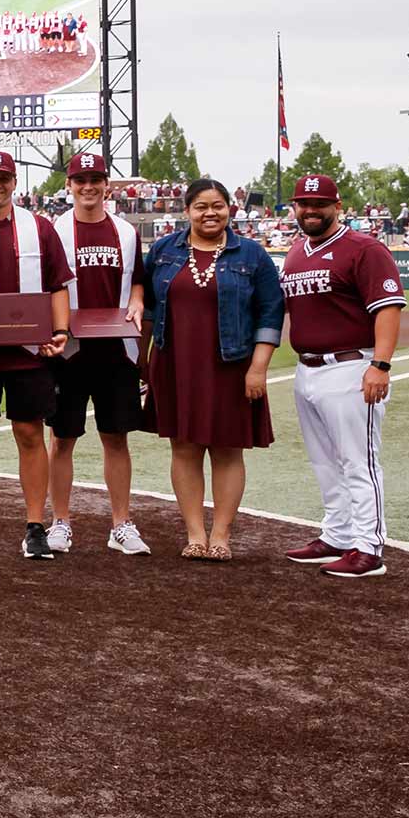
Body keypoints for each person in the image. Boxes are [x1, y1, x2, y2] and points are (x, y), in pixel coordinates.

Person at [145, 178, 283, 561]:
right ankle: (194, 534)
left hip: (232, 364)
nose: (210, 213)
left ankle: (221, 535)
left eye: (218, 205)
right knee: (184, 447)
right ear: (187, 210)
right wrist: (143, 365)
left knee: (227, 450)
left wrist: (258, 368)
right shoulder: (163, 251)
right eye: (201, 206)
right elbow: (144, 302)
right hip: (175, 362)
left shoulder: (252, 255)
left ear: (229, 208)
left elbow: (271, 313)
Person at [279, 172, 405, 578]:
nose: (311, 210)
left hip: (351, 366)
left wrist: (380, 364)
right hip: (308, 369)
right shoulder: (297, 251)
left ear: (338, 206)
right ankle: (337, 533)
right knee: (324, 461)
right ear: (295, 208)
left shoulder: (363, 249)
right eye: (304, 204)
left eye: (320, 204)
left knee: (358, 462)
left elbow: (387, 308)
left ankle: (368, 547)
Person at [0, 150, 74, 559]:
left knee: (29, 433)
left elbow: (58, 284)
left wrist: (59, 331)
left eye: (3, 178)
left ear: (14, 182)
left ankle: (35, 524)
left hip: (28, 351)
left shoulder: (38, 227)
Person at [46, 152, 152, 557]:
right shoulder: (54, 230)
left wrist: (138, 302)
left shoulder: (125, 231)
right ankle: (60, 521)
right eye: (80, 179)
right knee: (63, 438)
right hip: (69, 349)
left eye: (95, 179)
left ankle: (121, 523)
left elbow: (137, 281)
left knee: (116, 438)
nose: (88, 186)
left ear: (107, 184)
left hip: (116, 349)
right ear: (69, 185)